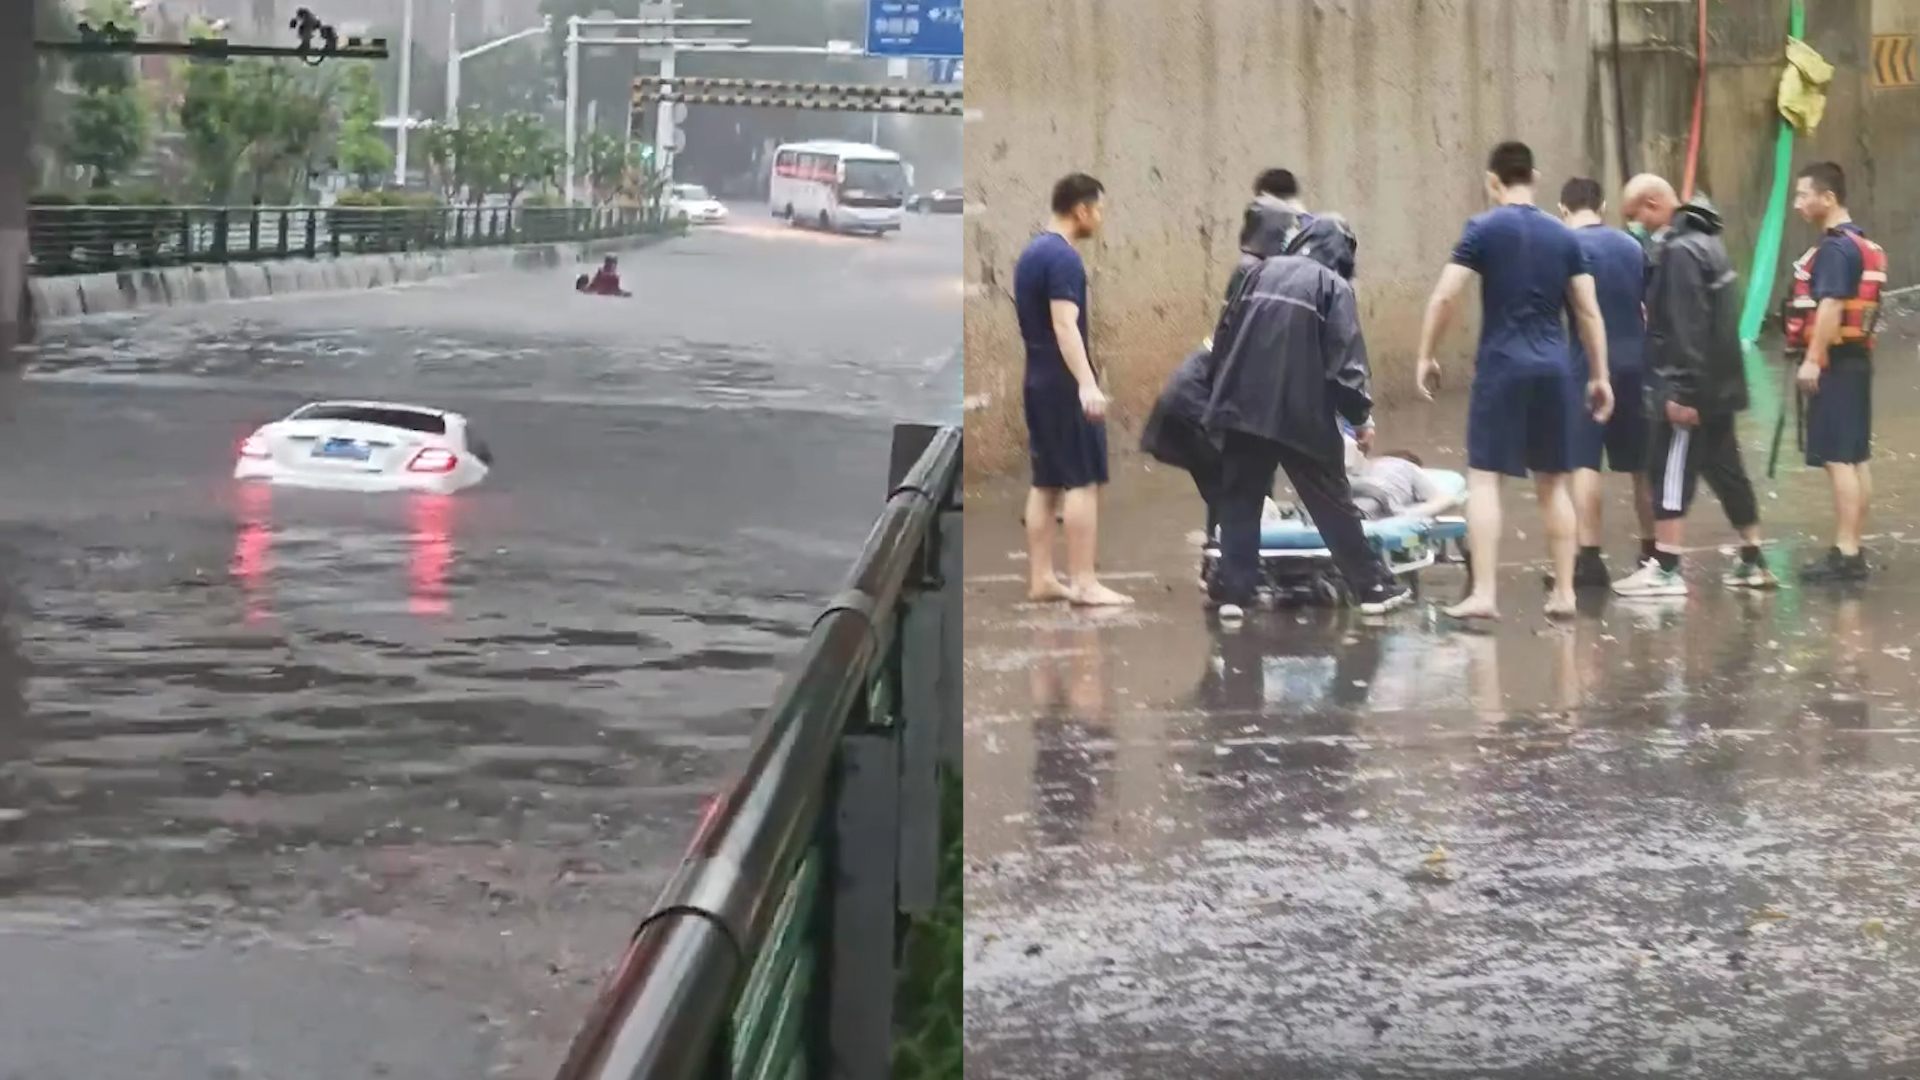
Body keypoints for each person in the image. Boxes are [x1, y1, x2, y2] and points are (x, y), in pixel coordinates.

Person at [1416, 141, 1614, 621]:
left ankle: (1484, 595)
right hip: (1554, 369)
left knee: (1485, 479)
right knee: (1554, 483)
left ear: (1492, 180)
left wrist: (1426, 354)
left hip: (1502, 365)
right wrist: (1601, 375)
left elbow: (1446, 296)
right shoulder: (1563, 236)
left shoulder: (1483, 228)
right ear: (1536, 176)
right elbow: (1588, 311)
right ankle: (1564, 594)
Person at [1202, 214, 1410, 619]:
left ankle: (1234, 594)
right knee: (1331, 502)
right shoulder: (1333, 287)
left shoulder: (1256, 274)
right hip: (1301, 414)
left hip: (1243, 407)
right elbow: (1346, 364)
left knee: (1241, 499)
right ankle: (1372, 589)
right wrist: (1360, 418)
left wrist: (1220, 394)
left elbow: (1223, 336)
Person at [1611, 174, 1774, 596]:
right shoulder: (1708, 242)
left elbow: (1686, 326)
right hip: (1720, 386)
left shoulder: (1680, 253)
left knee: (1666, 468)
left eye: (1637, 218)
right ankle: (1753, 558)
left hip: (1692, 392)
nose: (1639, 228)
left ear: (1652, 204)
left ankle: (1665, 567)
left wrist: (1680, 392)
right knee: (1727, 472)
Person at [1015, 173, 1131, 607]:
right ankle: (1084, 583)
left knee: (1046, 482)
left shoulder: (1031, 253)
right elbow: (1065, 325)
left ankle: (1042, 577)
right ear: (1080, 209)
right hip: (1064, 384)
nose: (1099, 218)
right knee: (1083, 481)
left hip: (1037, 377)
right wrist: (1087, 383)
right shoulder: (1064, 259)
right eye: (1098, 209)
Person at [1787, 161, 1887, 583]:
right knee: (1855, 456)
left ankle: (1846, 553)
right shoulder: (1860, 243)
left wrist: (1812, 359)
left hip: (1836, 362)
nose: (1797, 204)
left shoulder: (1834, 249)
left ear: (1827, 198)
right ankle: (1853, 547)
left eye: (1803, 195)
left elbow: (1829, 307)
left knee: (1838, 458)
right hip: (1857, 361)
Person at [1557, 177, 1655, 587]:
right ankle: (1654, 551)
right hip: (1638, 362)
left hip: (1588, 366)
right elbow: (1649, 305)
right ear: (1604, 205)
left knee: (1584, 461)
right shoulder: (1633, 247)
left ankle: (1590, 558)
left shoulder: (1564, 248)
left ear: (1563, 209)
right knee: (1641, 464)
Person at [1343, 435, 1465, 521]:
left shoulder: (1370, 462)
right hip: (1376, 503)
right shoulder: (1410, 468)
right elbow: (1436, 499)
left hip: (1347, 495)